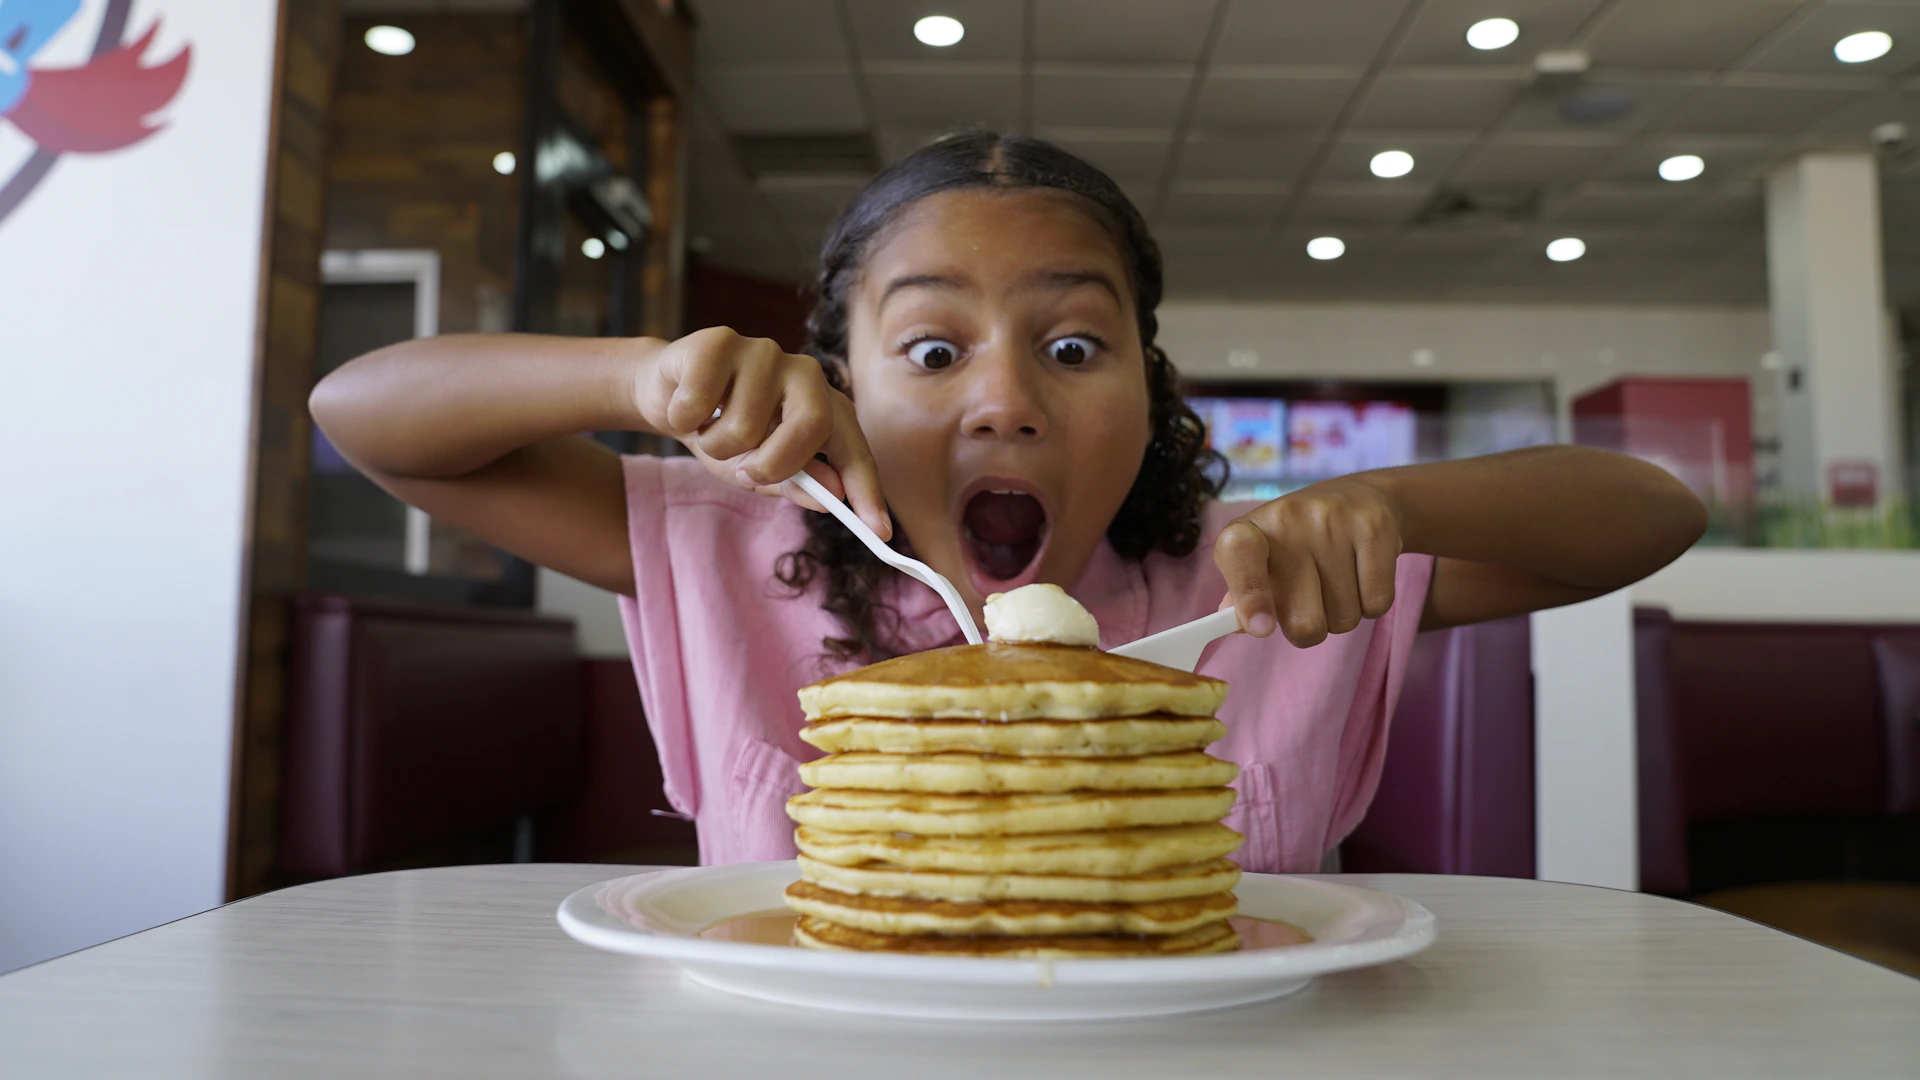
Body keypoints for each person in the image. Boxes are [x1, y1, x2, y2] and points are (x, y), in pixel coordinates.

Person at [310, 131, 1706, 872]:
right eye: (929, 350)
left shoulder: (1265, 587)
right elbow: (364, 418)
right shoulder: (733, 548)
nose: (1006, 398)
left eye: (1076, 346)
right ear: (840, 376)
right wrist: (643, 370)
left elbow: (1651, 512)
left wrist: (1384, 500)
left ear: (1149, 386)